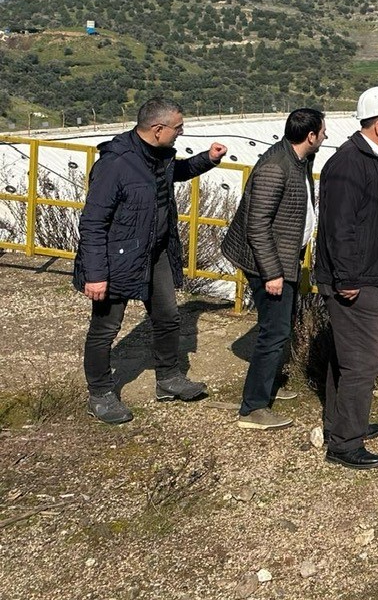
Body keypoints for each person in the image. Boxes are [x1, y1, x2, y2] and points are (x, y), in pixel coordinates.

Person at [74, 97, 227, 424]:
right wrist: (96, 274)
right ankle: (99, 394)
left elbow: (176, 172)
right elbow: (92, 222)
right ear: (158, 129)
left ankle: (168, 379)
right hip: (115, 260)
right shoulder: (115, 164)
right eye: (178, 128)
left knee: (168, 316)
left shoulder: (158, 155)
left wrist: (208, 160)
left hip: (153, 253)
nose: (180, 133)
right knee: (106, 328)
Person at [313, 86, 378, 469]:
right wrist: (348, 277)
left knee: (349, 356)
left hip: (373, 272)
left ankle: (344, 423)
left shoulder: (370, 158)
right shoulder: (350, 164)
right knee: (365, 360)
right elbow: (339, 227)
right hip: (359, 278)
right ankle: (344, 443)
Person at [221, 108, 327, 430]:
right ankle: (253, 408)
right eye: (323, 132)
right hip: (269, 264)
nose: (325, 136)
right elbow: (257, 226)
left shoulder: (297, 160)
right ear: (310, 136)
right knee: (274, 332)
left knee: (278, 329)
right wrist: (272, 274)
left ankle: (265, 388)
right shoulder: (275, 168)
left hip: (281, 259)